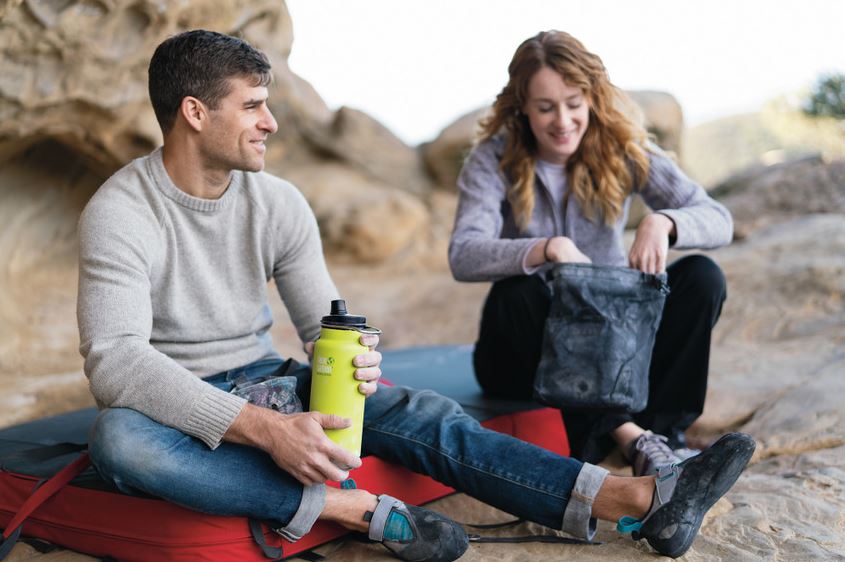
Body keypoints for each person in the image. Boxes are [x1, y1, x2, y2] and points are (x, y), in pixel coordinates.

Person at [78, 29, 753, 562]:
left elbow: (324, 326)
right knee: (119, 441)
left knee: (423, 414)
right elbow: (116, 361)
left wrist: (354, 355)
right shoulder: (122, 211)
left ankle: (633, 497)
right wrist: (264, 429)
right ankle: (355, 511)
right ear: (195, 113)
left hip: (267, 380)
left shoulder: (278, 202)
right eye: (252, 105)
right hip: (170, 403)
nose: (271, 123)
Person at [449, 30, 733, 475]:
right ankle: (631, 436)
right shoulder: (493, 159)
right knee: (516, 292)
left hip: (614, 340)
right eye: (546, 107)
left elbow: (718, 218)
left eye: (573, 103)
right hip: (528, 349)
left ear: (591, 98)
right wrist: (548, 248)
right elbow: (464, 253)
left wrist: (663, 222)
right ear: (522, 106)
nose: (562, 121)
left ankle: (663, 436)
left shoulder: (623, 147)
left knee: (702, 275)